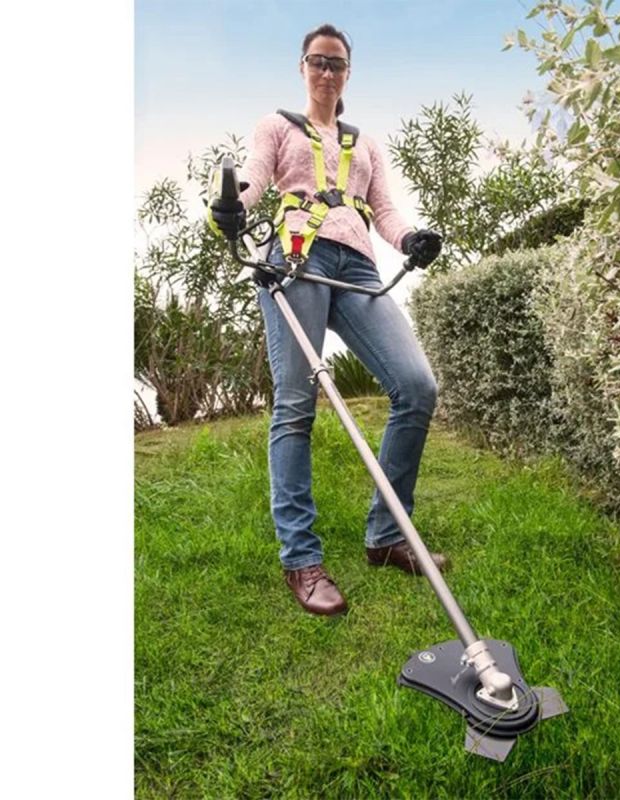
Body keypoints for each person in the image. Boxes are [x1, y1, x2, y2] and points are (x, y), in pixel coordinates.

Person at [209, 23, 446, 617]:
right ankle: (301, 559)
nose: (326, 71)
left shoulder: (365, 145)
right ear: (302, 67)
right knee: (296, 404)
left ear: (347, 74)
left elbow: (384, 211)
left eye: (336, 63)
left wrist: (410, 239)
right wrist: (230, 205)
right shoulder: (277, 126)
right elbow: (252, 182)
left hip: (359, 268)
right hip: (295, 259)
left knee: (417, 386)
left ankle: (387, 535)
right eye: (317, 61)